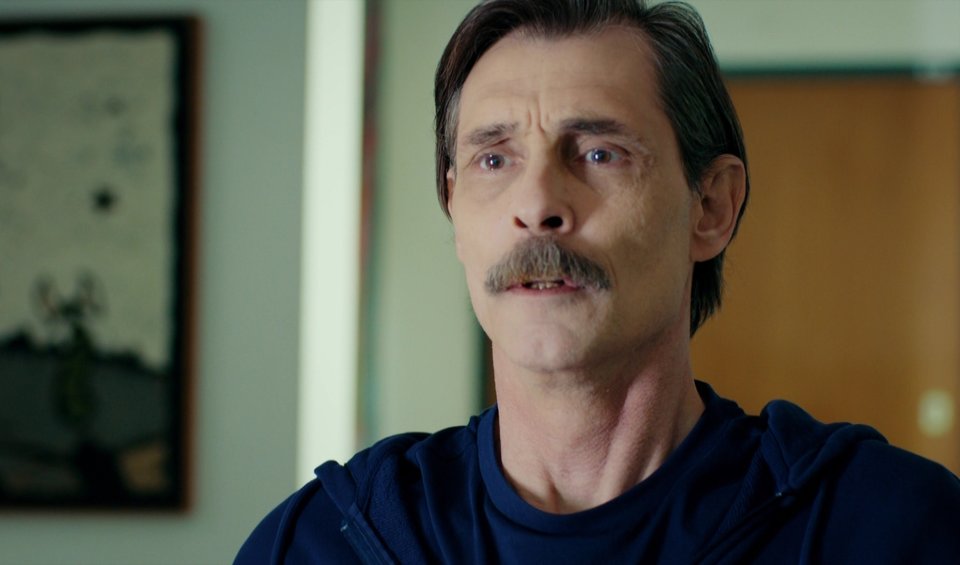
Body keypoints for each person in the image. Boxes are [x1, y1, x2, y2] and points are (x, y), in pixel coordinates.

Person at [236, 0, 960, 562]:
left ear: (711, 207)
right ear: (455, 210)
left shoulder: (889, 530)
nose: (537, 205)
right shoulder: (320, 544)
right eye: (495, 159)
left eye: (598, 153)